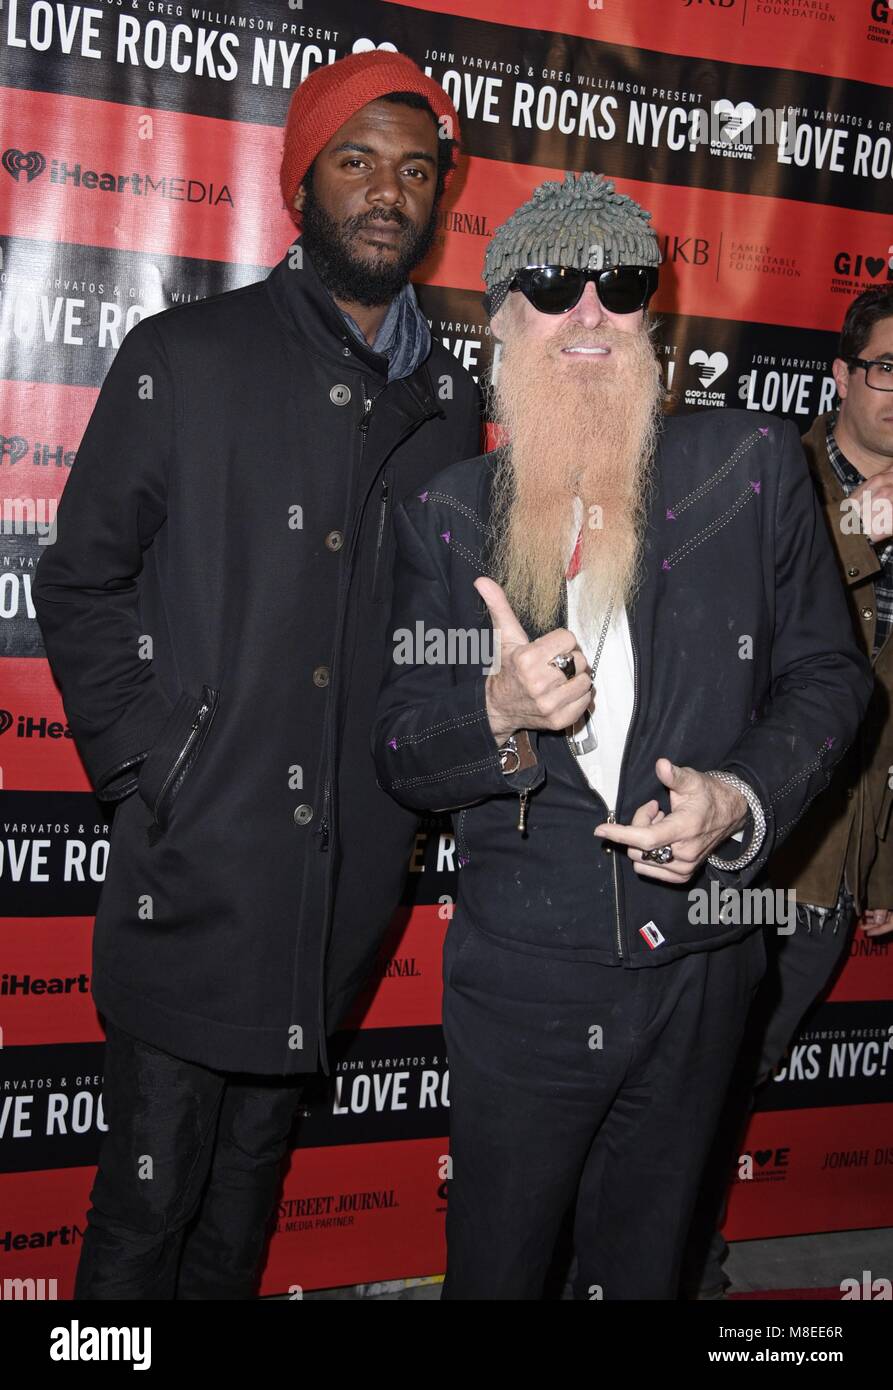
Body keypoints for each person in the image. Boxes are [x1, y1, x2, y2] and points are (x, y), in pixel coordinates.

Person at [371, 171, 873, 1300]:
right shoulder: (448, 516)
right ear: (502, 317)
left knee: (647, 1272)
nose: (589, 311)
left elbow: (829, 676)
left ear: (655, 315)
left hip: (701, 972)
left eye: (621, 282)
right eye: (553, 285)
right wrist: (494, 714)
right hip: (522, 983)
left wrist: (737, 796)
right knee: (497, 1272)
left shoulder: (745, 473)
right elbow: (398, 751)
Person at [32, 50, 481, 1300]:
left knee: (241, 1216)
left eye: (412, 170)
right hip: (195, 873)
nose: (386, 193)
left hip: (333, 896)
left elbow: (438, 624)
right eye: (356, 161)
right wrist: (151, 760)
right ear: (300, 184)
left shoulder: (447, 401)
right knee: (141, 1215)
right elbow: (77, 581)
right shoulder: (189, 353)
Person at [683, 284, 893, 1299]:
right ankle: (661, 1258)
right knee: (690, 1074)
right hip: (741, 843)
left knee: (742, 1072)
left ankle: (676, 1247)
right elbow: (752, 637)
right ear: (840, 376)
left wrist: (878, 860)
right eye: (885, 368)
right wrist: (856, 525)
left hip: (833, 857)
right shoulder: (772, 474)